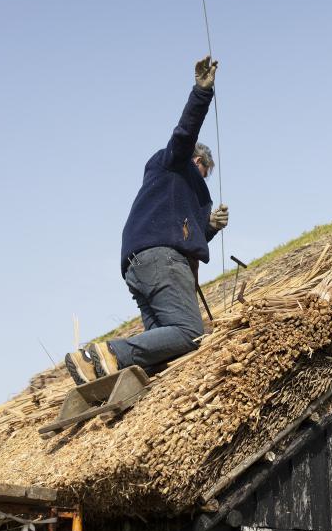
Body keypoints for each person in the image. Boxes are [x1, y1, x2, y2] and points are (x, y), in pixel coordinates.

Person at [65, 56, 229, 385]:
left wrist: (209, 225)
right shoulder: (175, 163)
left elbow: (183, 236)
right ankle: (107, 354)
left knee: (166, 349)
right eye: (205, 173)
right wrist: (202, 92)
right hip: (160, 260)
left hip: (138, 264)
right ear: (197, 160)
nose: (204, 181)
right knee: (190, 333)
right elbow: (185, 133)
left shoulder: (169, 193)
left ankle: (115, 380)